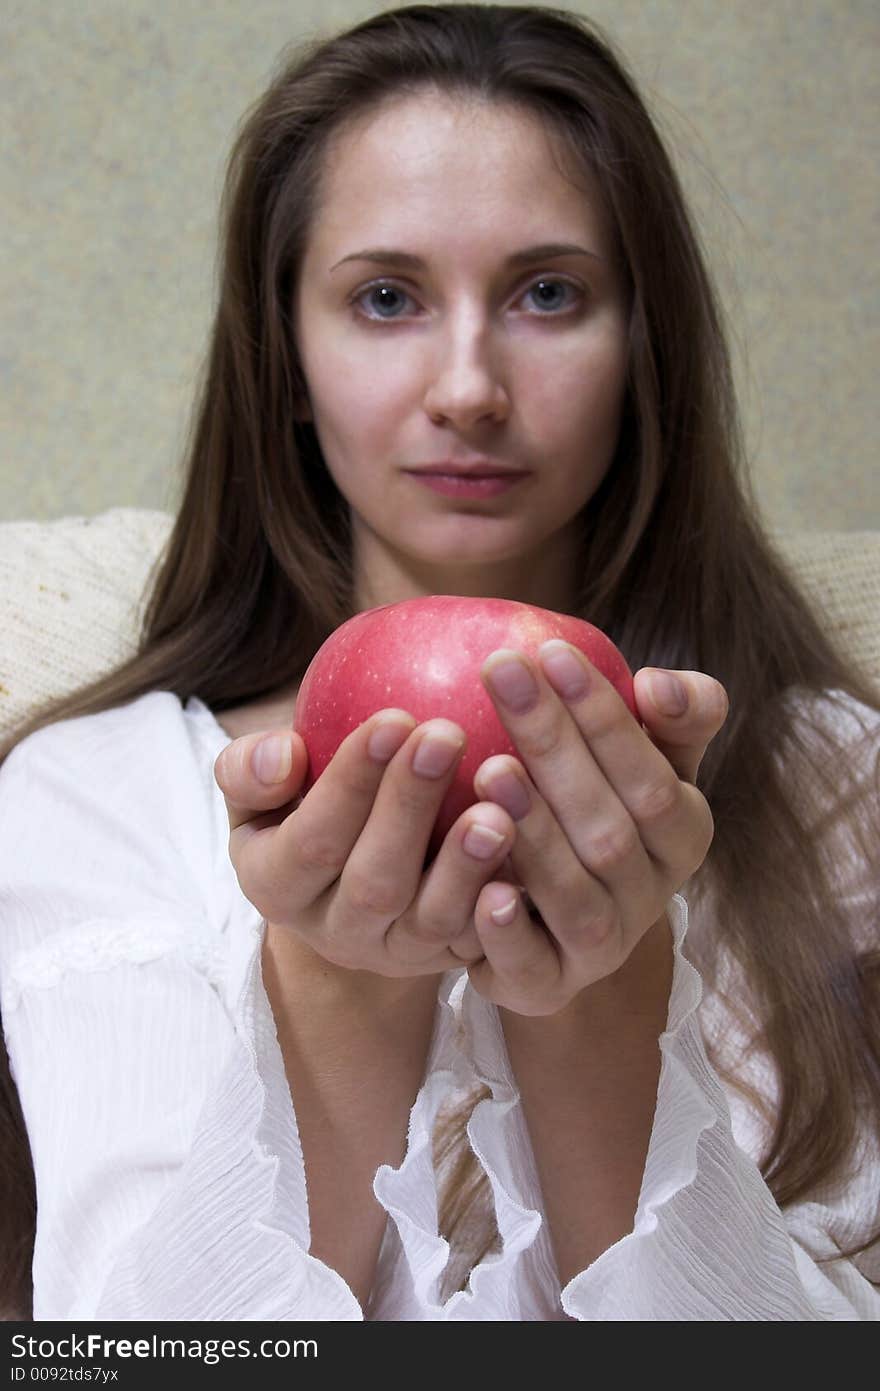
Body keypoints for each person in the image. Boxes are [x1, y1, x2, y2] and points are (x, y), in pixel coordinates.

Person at [1, 2, 878, 1322]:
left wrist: (605, 997)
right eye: (387, 297)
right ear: (286, 357)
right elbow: (124, 1357)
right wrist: (340, 983)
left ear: (642, 349)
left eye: (546, 293)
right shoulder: (91, 794)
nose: (469, 386)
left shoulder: (833, 780)